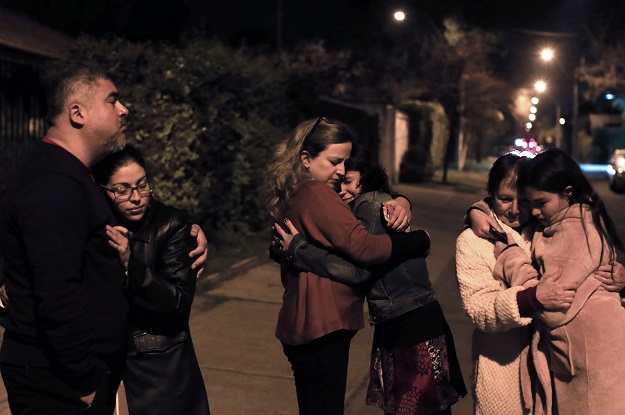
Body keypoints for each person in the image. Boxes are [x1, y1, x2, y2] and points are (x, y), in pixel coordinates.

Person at [0, 66, 207, 415]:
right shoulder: (54, 183)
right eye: (112, 100)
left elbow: (112, 226)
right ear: (77, 113)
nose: (124, 108)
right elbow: (57, 291)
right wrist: (83, 380)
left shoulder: (70, 175)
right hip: (59, 379)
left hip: (70, 373)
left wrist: (185, 228)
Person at [273, 146, 466, 415]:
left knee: (421, 409)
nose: (342, 189)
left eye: (348, 181)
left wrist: (299, 249)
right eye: (339, 182)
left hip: (411, 321)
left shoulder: (370, 205)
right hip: (399, 320)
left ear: (365, 178)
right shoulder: (361, 206)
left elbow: (360, 270)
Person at [493, 148, 625, 414]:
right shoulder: (573, 218)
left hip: (592, 360)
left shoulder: (576, 229)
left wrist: (510, 257)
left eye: (541, 202)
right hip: (589, 355)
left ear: (567, 192)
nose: (535, 212)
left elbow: (551, 306)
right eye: (532, 203)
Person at [455, 152, 578, 415]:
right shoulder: (472, 241)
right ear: (490, 195)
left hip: (556, 370)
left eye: (523, 200)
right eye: (504, 199)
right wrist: (530, 299)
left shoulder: (550, 231)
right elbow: (479, 308)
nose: (513, 210)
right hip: (502, 369)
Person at [92, 145, 210, 415]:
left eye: (142, 185)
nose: (136, 197)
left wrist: (131, 264)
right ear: (103, 190)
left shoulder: (171, 224)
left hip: (159, 369)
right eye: (122, 189)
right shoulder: (93, 224)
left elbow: (178, 300)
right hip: (103, 365)